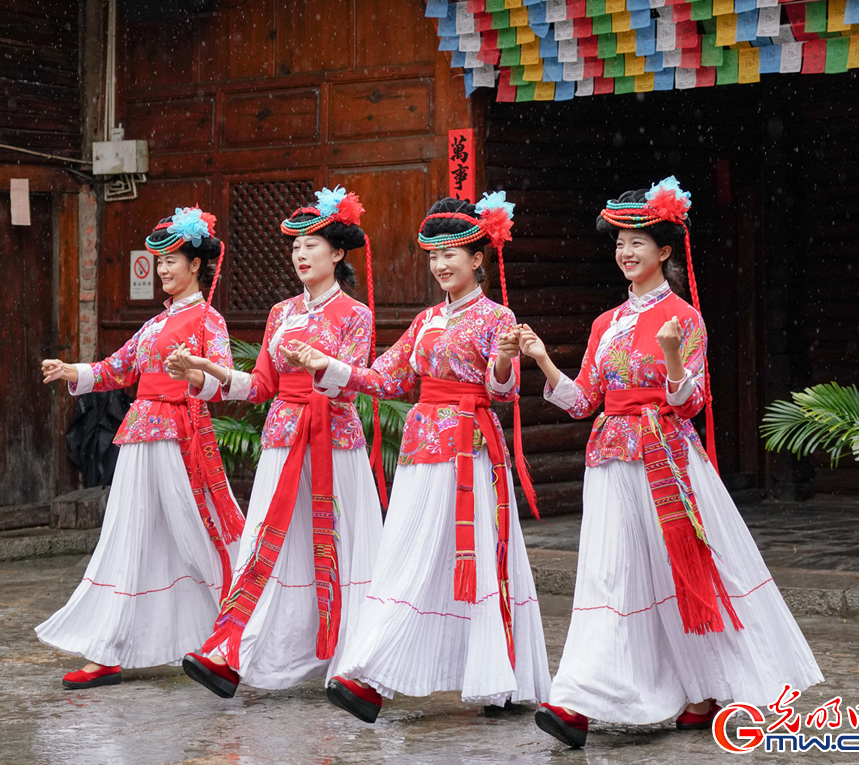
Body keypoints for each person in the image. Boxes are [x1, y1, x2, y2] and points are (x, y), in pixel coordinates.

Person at [515, 178, 822, 748]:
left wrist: (675, 354)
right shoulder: (605, 324)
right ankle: (577, 700)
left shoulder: (684, 318)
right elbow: (584, 400)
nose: (625, 253)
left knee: (684, 573)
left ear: (665, 252)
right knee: (610, 573)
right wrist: (542, 362)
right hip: (611, 459)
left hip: (668, 459)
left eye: (637, 242)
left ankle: (704, 688)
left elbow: (691, 402)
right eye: (619, 243)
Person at [293, 193, 551, 722]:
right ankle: (374, 674)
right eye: (433, 256)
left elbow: (502, 392)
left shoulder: (498, 317)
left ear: (477, 259)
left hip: (471, 450)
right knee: (406, 558)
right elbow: (386, 378)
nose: (440, 265)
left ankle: (494, 682)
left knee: (478, 559)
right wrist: (329, 366)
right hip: (421, 450)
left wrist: (503, 362)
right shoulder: (426, 319)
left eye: (450, 254)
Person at [169, 187, 383, 698]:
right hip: (284, 439)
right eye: (295, 248)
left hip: (335, 441)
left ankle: (359, 663)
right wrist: (207, 370)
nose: (301, 255)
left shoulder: (357, 315)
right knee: (267, 539)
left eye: (312, 245)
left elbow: (356, 380)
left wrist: (321, 366)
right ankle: (239, 652)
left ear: (337, 254)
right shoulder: (280, 313)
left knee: (347, 544)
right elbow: (259, 385)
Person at [36, 207, 243, 689]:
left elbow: (225, 378)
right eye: (160, 261)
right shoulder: (154, 324)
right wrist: (76, 373)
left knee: (200, 533)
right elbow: (119, 367)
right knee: (125, 537)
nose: (164, 269)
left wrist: (195, 374)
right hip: (140, 435)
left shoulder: (209, 320)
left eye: (174, 260)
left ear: (197, 265)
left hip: (182, 436)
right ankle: (107, 648)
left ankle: (232, 639)